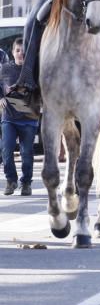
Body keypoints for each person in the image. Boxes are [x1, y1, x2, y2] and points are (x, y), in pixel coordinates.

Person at [0, 39, 38, 196]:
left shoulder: (33, 70)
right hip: (9, 118)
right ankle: (11, 180)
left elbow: (41, 89)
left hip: (29, 119)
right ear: (12, 52)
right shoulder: (5, 69)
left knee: (26, 154)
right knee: (6, 151)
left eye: (23, 51)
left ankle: (26, 183)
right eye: (17, 50)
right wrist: (1, 97)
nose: (20, 53)